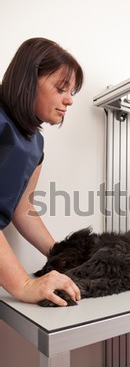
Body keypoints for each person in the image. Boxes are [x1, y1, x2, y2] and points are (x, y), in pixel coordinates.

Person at [0, 37, 83, 306]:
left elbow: (22, 208)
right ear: (28, 79)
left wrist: (61, 253)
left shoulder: (37, 142)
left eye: (72, 92)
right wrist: (24, 284)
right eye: (61, 88)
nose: (69, 100)